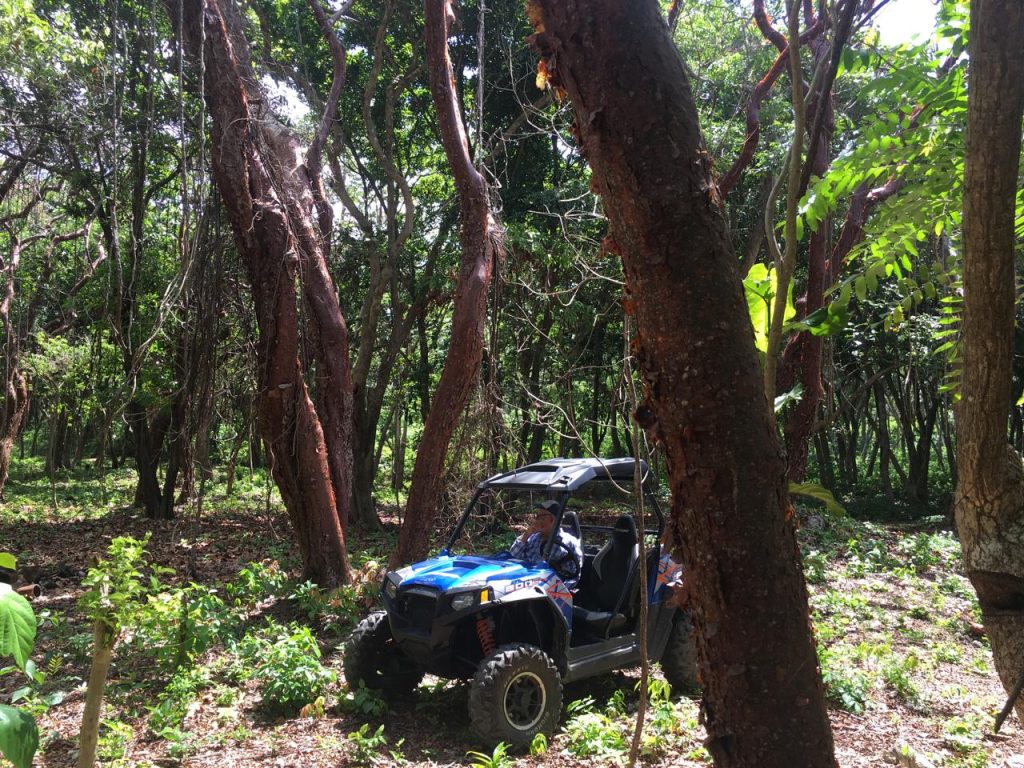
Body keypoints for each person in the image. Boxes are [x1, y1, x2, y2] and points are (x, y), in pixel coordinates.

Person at [509, 500, 583, 589]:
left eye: (539, 517)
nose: (536, 520)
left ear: (551, 519)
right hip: (522, 584)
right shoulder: (533, 537)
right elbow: (513, 556)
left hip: (548, 591)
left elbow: (573, 577)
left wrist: (556, 592)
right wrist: (526, 535)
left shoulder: (569, 542)